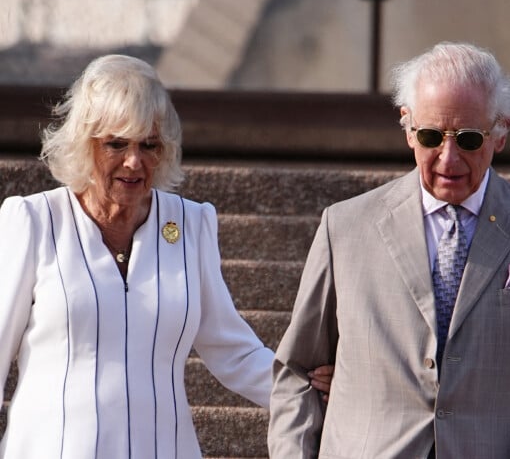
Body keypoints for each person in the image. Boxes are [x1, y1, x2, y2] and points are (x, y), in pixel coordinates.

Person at [0, 54, 332, 459]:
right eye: (116, 144)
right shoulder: (33, 221)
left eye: (149, 145)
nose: (134, 161)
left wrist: (313, 390)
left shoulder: (190, 224)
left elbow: (234, 351)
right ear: (85, 144)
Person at [268, 41, 510, 458]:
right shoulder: (344, 227)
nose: (448, 158)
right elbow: (298, 372)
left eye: (469, 139)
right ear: (409, 127)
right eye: (432, 136)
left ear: (501, 131)